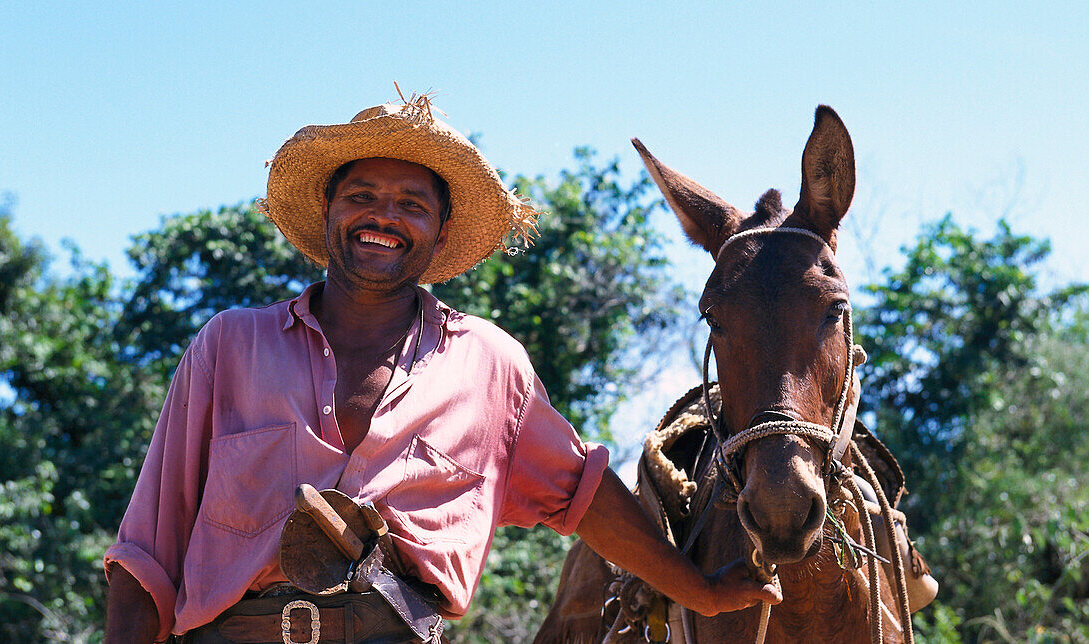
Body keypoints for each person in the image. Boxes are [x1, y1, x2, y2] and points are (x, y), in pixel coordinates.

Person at [104, 92, 782, 643]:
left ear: (440, 232)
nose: (383, 217)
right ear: (329, 211)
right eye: (362, 196)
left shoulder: (491, 366)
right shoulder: (229, 347)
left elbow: (582, 492)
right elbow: (147, 553)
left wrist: (699, 590)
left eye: (412, 205)